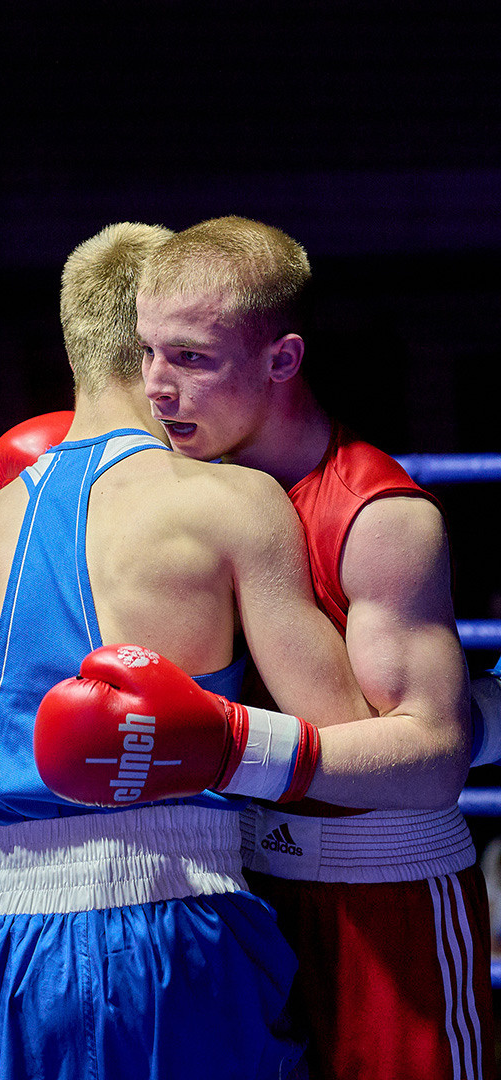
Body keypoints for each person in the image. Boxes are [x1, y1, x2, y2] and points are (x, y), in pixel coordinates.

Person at [0, 222, 376, 1080]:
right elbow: (351, 746)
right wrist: (474, 714)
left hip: (4, 955)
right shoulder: (227, 502)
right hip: (178, 923)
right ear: (148, 341)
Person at [127, 216, 496, 1080]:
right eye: (147, 353)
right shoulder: (179, 497)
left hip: (386, 906)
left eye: (190, 358)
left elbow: (434, 756)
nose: (155, 387)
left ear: (281, 360)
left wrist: (227, 747)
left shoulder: (378, 517)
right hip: (241, 895)